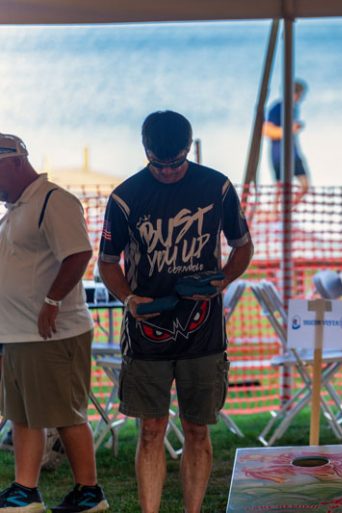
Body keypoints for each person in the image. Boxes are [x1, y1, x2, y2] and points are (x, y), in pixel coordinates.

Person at [97, 111, 253, 513]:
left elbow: (242, 245)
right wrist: (128, 298)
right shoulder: (125, 196)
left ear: (190, 148)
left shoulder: (216, 187)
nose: (167, 171)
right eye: (158, 164)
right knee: (150, 430)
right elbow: (108, 262)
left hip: (203, 333)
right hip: (146, 330)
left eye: (176, 163)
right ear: (145, 150)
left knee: (197, 429)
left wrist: (225, 279)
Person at [0, 133, 109, 513]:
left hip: (51, 333)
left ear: (13, 162)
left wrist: (51, 301)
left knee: (65, 415)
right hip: (17, 334)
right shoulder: (15, 208)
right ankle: (24, 490)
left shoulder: (53, 200)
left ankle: (89, 492)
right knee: (23, 415)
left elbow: (79, 255)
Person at [263, 79, 310, 208]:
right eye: (300, 94)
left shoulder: (294, 108)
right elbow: (267, 130)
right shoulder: (277, 107)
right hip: (279, 154)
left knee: (305, 185)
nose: (301, 98)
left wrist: (295, 127)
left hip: (294, 153)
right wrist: (289, 129)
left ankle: (285, 211)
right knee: (280, 188)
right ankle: (276, 213)